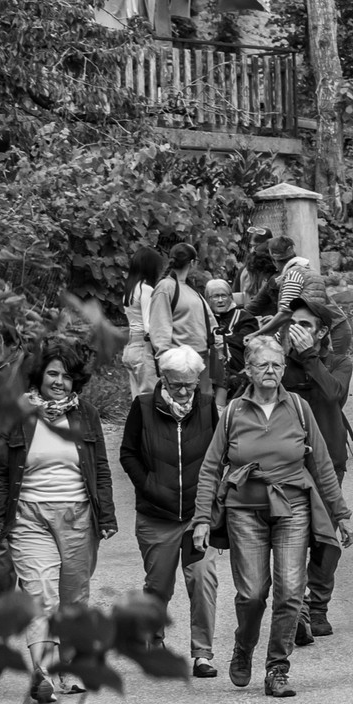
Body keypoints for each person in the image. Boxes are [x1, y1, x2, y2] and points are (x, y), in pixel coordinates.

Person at [192, 333, 353, 699]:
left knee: (291, 591)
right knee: (252, 593)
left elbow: (322, 463)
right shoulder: (233, 412)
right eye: (263, 364)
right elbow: (210, 467)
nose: (271, 370)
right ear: (248, 370)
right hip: (243, 510)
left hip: (293, 506)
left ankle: (277, 668)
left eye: (277, 364)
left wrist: (340, 514)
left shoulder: (298, 407)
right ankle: (244, 646)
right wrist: (202, 517)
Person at [0, 339, 117, 704]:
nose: (58, 381)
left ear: (76, 382)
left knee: (74, 598)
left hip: (78, 516)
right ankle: (41, 674)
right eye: (52, 373)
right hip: (28, 515)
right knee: (40, 595)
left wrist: (106, 515)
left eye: (66, 376)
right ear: (39, 375)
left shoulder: (86, 414)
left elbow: (100, 469)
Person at [119, 345, 220, 677]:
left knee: (203, 579)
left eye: (189, 384)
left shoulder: (206, 407)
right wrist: (148, 486)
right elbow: (128, 453)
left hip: (197, 517)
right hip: (155, 515)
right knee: (158, 586)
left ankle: (203, 653)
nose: (182, 391)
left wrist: (211, 497)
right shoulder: (144, 407)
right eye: (175, 383)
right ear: (163, 377)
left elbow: (219, 455)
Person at [281, 299, 353, 640]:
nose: (296, 330)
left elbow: (334, 394)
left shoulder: (339, 362)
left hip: (328, 465)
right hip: (287, 466)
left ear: (322, 331)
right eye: (293, 323)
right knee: (293, 538)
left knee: (326, 540)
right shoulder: (278, 365)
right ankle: (297, 608)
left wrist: (310, 357)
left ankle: (318, 605)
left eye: (305, 325)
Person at [148, 242, 213, 359]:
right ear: (192, 263)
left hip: (201, 355)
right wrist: (164, 356)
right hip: (180, 359)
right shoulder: (166, 287)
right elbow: (160, 325)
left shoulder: (190, 288)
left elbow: (209, 318)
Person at [121, 244, 162, 396]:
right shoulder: (146, 289)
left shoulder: (130, 289)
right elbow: (148, 326)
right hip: (143, 349)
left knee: (137, 398)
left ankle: (135, 421)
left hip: (130, 347)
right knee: (150, 396)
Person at [205, 277, 248, 407]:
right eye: (215, 296)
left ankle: (219, 407)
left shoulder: (244, 317)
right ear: (207, 299)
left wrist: (221, 342)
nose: (220, 300)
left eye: (223, 296)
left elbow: (246, 339)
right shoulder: (203, 319)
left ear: (231, 297)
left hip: (237, 371)